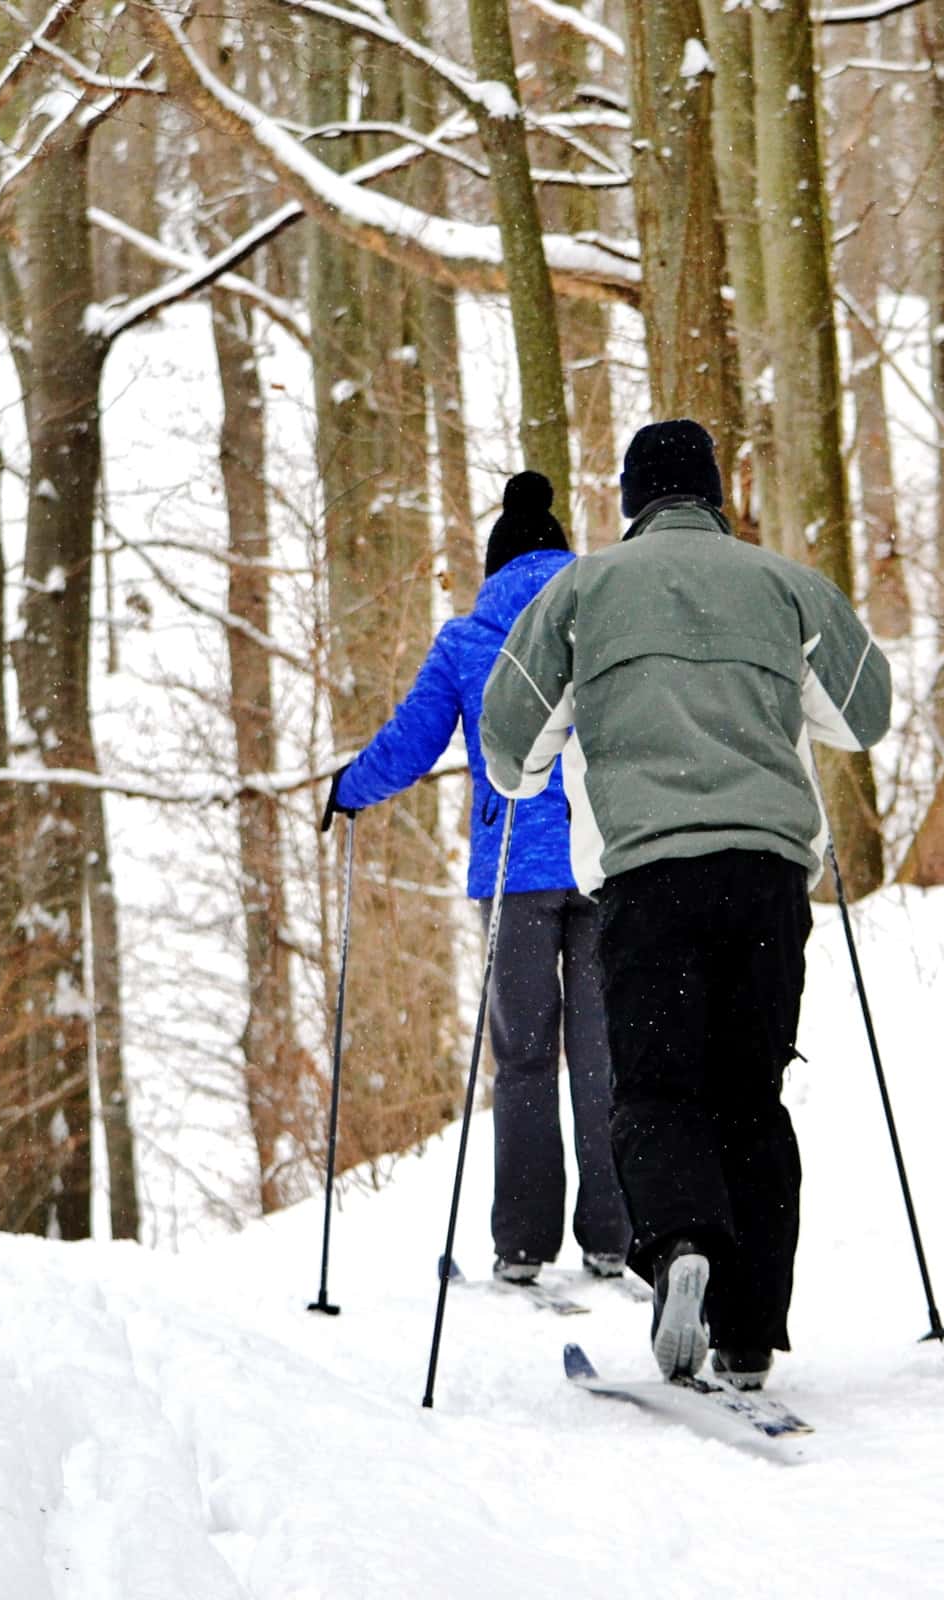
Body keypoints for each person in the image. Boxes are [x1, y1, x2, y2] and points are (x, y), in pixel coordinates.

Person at [480, 420, 892, 1391]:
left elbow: (508, 744)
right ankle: (749, 1334)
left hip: (650, 878)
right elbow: (863, 713)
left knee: (658, 1087)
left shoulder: (578, 590)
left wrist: (554, 754)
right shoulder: (783, 584)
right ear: (714, 495)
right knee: (750, 1095)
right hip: (765, 877)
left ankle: (676, 1250)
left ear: (630, 500)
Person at [320, 472, 628, 1285]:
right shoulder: (602, 619)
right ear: (563, 556)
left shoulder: (467, 638)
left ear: (495, 567)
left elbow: (411, 743)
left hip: (511, 875)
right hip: (605, 861)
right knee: (605, 1056)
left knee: (524, 1060)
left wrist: (349, 788)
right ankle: (614, 1235)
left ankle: (523, 1246)